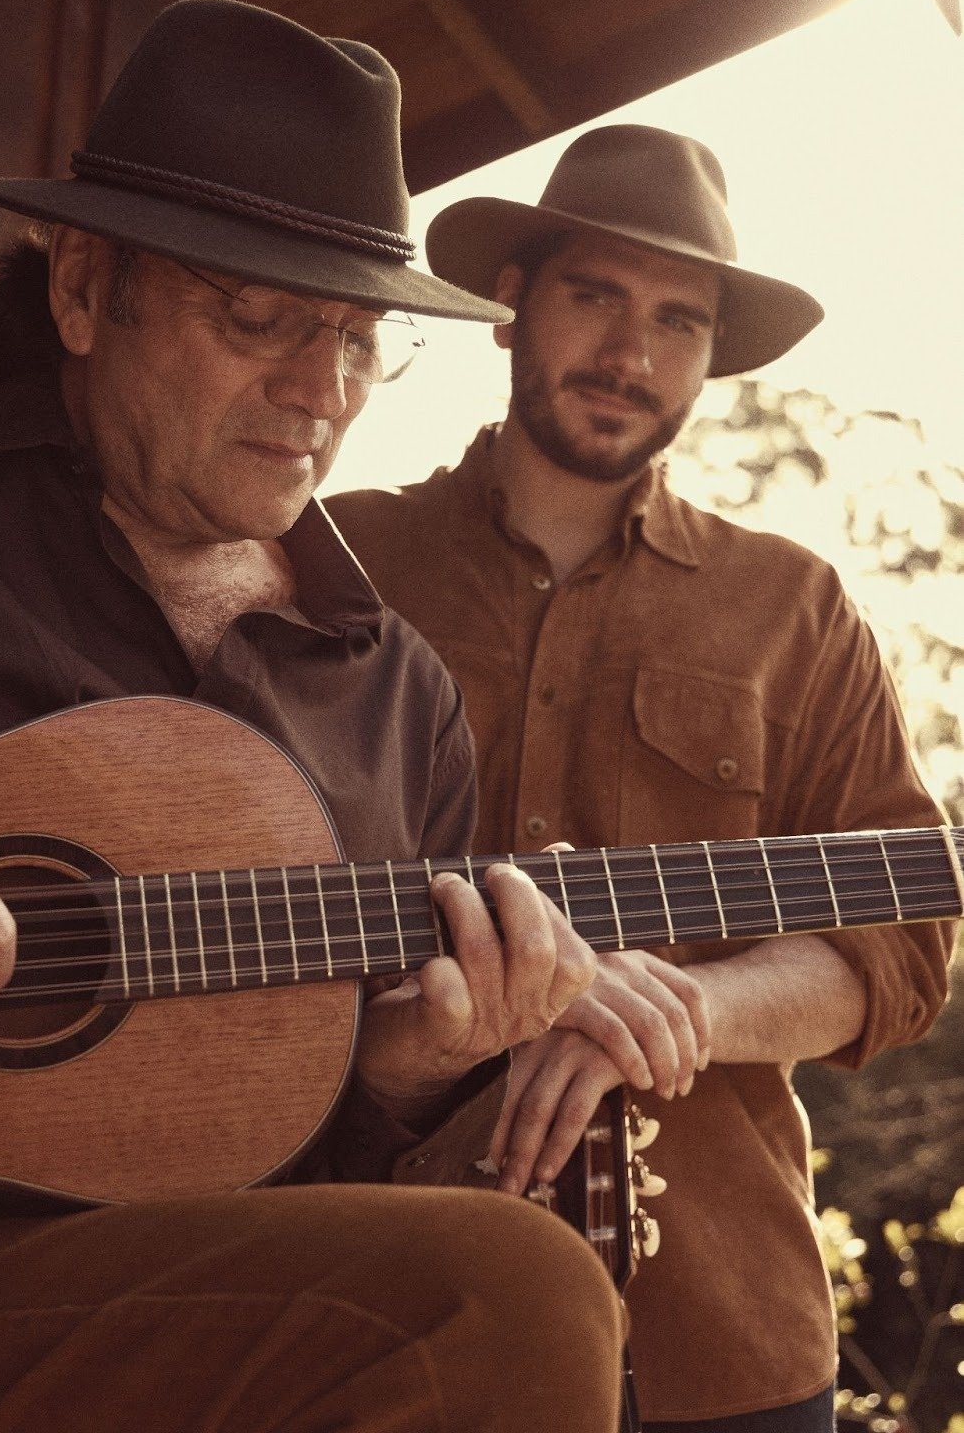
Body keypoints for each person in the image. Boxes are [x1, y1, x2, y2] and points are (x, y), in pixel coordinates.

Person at [0, 0, 627, 1433]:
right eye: (260, 319)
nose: (323, 392)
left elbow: (324, 1171)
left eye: (360, 339)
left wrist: (407, 1065)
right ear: (85, 287)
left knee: (501, 1293)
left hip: (157, 1307)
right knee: (507, 1291)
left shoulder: (400, 692)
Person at [326, 125, 957, 1431]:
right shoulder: (340, 569)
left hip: (723, 1342)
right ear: (511, 302)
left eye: (679, 321)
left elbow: (901, 941)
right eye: (596, 296)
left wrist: (671, 1015)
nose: (631, 355)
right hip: (379, 1311)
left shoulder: (795, 607)